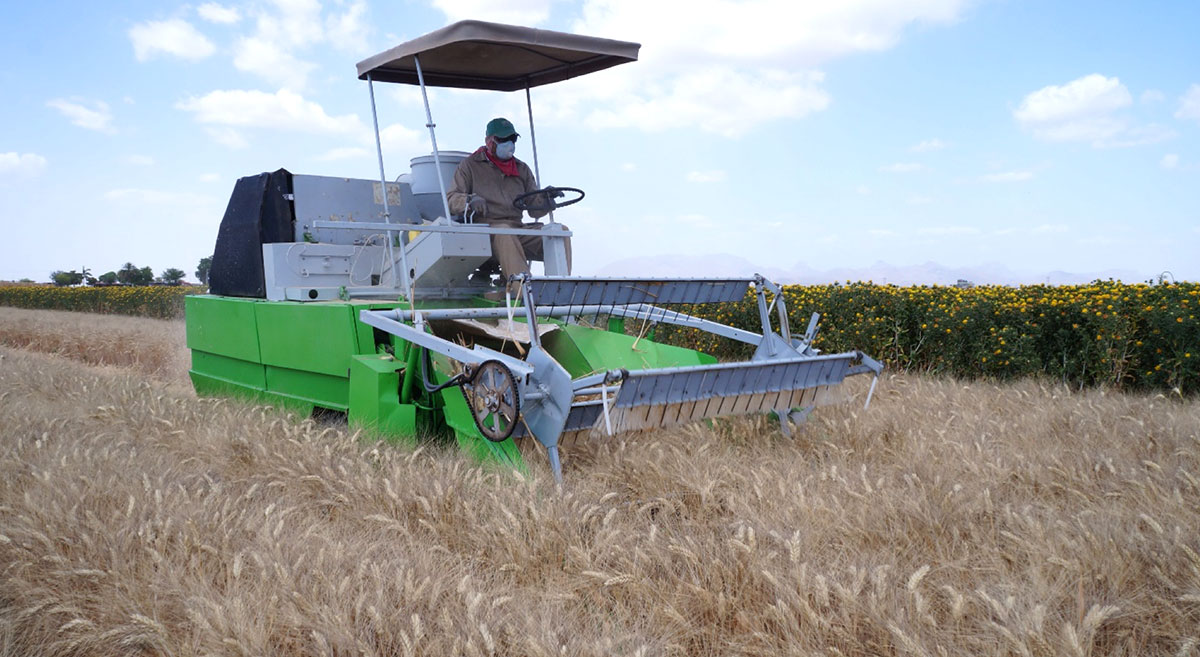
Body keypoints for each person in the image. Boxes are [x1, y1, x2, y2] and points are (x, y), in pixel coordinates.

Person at [446, 117, 571, 287]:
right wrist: (470, 200)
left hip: (518, 228)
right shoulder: (469, 166)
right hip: (486, 232)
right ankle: (525, 292)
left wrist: (547, 198)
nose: (509, 144)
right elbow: (451, 200)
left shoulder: (521, 169)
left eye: (512, 139)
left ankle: (561, 291)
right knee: (505, 233)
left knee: (559, 232)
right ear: (489, 142)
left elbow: (534, 210)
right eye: (503, 140)